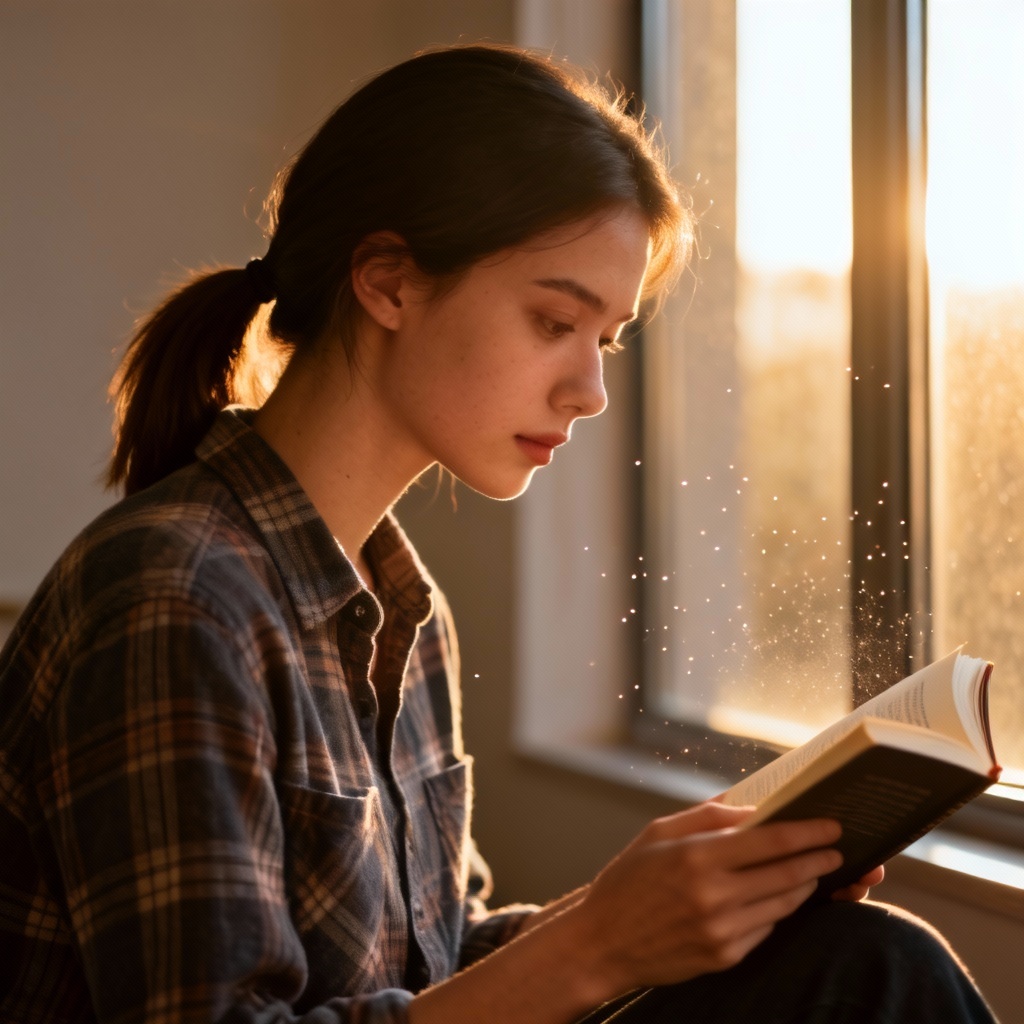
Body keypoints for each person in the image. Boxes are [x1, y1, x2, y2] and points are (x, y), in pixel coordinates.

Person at [0, 43, 998, 1024]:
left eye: (604, 340)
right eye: (552, 323)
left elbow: (435, 965)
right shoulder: (175, 601)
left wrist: (671, 901)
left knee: (851, 958)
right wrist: (599, 941)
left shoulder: (400, 604)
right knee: (874, 978)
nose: (591, 389)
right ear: (388, 282)